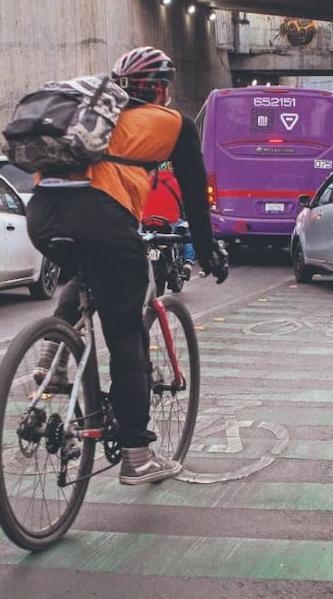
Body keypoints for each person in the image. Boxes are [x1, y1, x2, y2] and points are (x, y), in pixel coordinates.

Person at [25, 45, 229, 485]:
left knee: (87, 273)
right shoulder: (170, 122)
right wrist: (209, 251)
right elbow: (194, 193)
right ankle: (137, 454)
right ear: (159, 89)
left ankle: (52, 354)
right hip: (101, 217)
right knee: (126, 335)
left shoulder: (86, 113)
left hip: (41, 215)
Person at [142, 161, 196, 279]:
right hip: (169, 223)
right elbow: (187, 202)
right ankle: (188, 262)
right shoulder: (177, 183)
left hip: (146, 222)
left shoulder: (146, 181)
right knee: (188, 234)